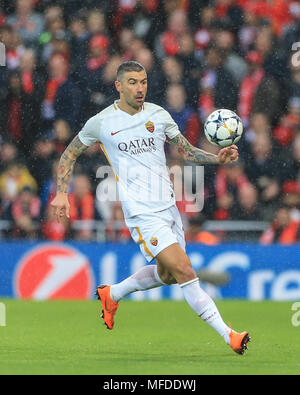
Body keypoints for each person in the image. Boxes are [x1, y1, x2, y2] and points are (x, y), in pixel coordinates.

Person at [51, 61, 250, 355]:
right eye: (132, 82)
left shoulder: (159, 115)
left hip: (169, 209)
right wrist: (61, 193)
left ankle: (113, 293)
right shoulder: (102, 123)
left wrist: (216, 159)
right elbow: (69, 154)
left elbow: (186, 151)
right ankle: (229, 335)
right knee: (184, 269)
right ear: (118, 86)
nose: (140, 88)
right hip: (142, 214)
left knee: (168, 275)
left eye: (143, 81)